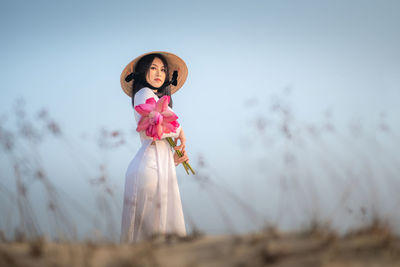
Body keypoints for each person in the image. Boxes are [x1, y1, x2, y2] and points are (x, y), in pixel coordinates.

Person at [119, 51, 189, 243]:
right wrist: (179, 130)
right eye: (153, 68)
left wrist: (172, 160)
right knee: (150, 235)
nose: (159, 73)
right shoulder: (144, 94)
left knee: (158, 231)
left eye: (163, 69)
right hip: (148, 170)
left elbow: (158, 136)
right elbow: (154, 128)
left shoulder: (155, 98)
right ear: (142, 72)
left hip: (155, 168)